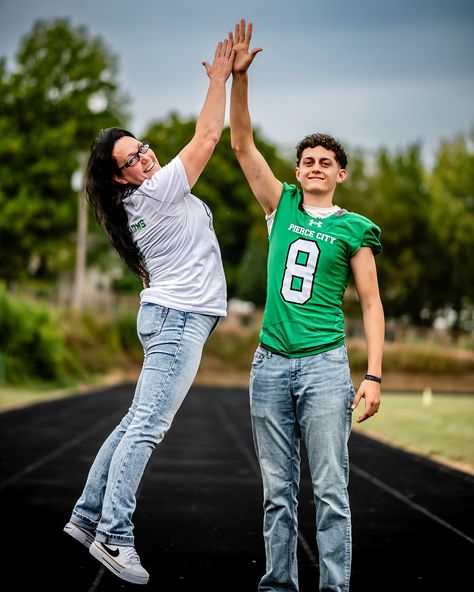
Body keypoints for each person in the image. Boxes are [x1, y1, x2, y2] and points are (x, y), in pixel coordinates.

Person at [63, 35, 235, 586]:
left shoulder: (151, 196)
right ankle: (114, 535)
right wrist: (219, 80)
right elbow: (209, 135)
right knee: (147, 429)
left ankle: (87, 515)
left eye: (142, 148)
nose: (145, 157)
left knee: (135, 422)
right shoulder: (153, 193)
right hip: (177, 322)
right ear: (121, 177)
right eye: (131, 159)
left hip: (173, 318)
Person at [229, 20, 385, 592]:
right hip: (270, 363)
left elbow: (371, 304)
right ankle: (278, 585)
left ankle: (336, 587)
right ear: (297, 172)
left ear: (340, 174)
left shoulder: (355, 229)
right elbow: (241, 145)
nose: (315, 166)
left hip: (324, 365)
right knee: (276, 491)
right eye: (307, 161)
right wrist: (239, 81)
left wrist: (372, 375)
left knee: (330, 489)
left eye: (326, 162)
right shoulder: (282, 208)